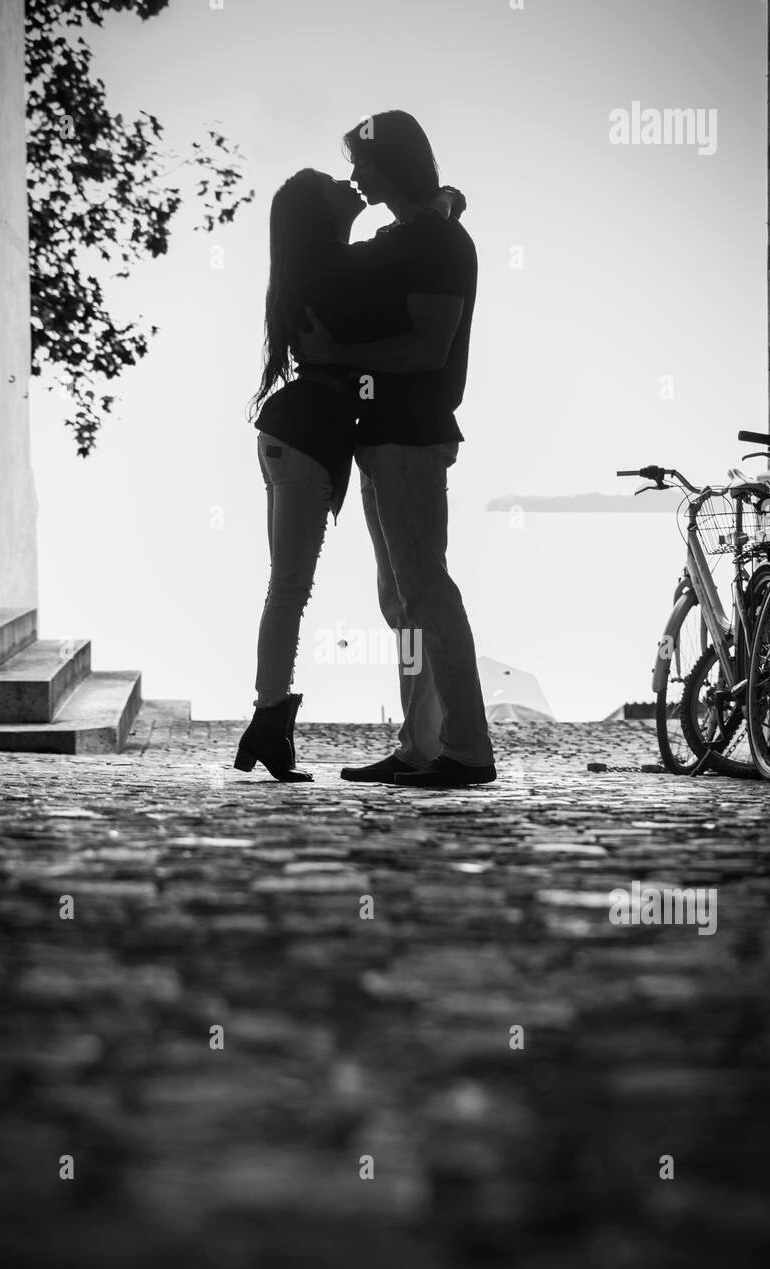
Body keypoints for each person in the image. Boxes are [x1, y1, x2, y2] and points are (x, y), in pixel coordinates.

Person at [236, 168, 462, 783]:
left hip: (289, 437)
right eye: (333, 184)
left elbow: (392, 247)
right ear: (320, 213)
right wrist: (442, 210)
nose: (349, 183)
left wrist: (440, 212)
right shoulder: (336, 270)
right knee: (290, 588)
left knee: (285, 588)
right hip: (304, 439)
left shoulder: (313, 268)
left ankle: (269, 719)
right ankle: (268, 718)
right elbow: (395, 251)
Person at [299, 111, 496, 788]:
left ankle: (468, 752)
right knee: (402, 600)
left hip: (412, 433)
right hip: (383, 436)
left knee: (427, 593)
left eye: (365, 163)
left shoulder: (438, 242)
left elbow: (426, 347)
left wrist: (336, 353)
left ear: (396, 165)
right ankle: (421, 746)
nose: (356, 175)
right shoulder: (415, 233)